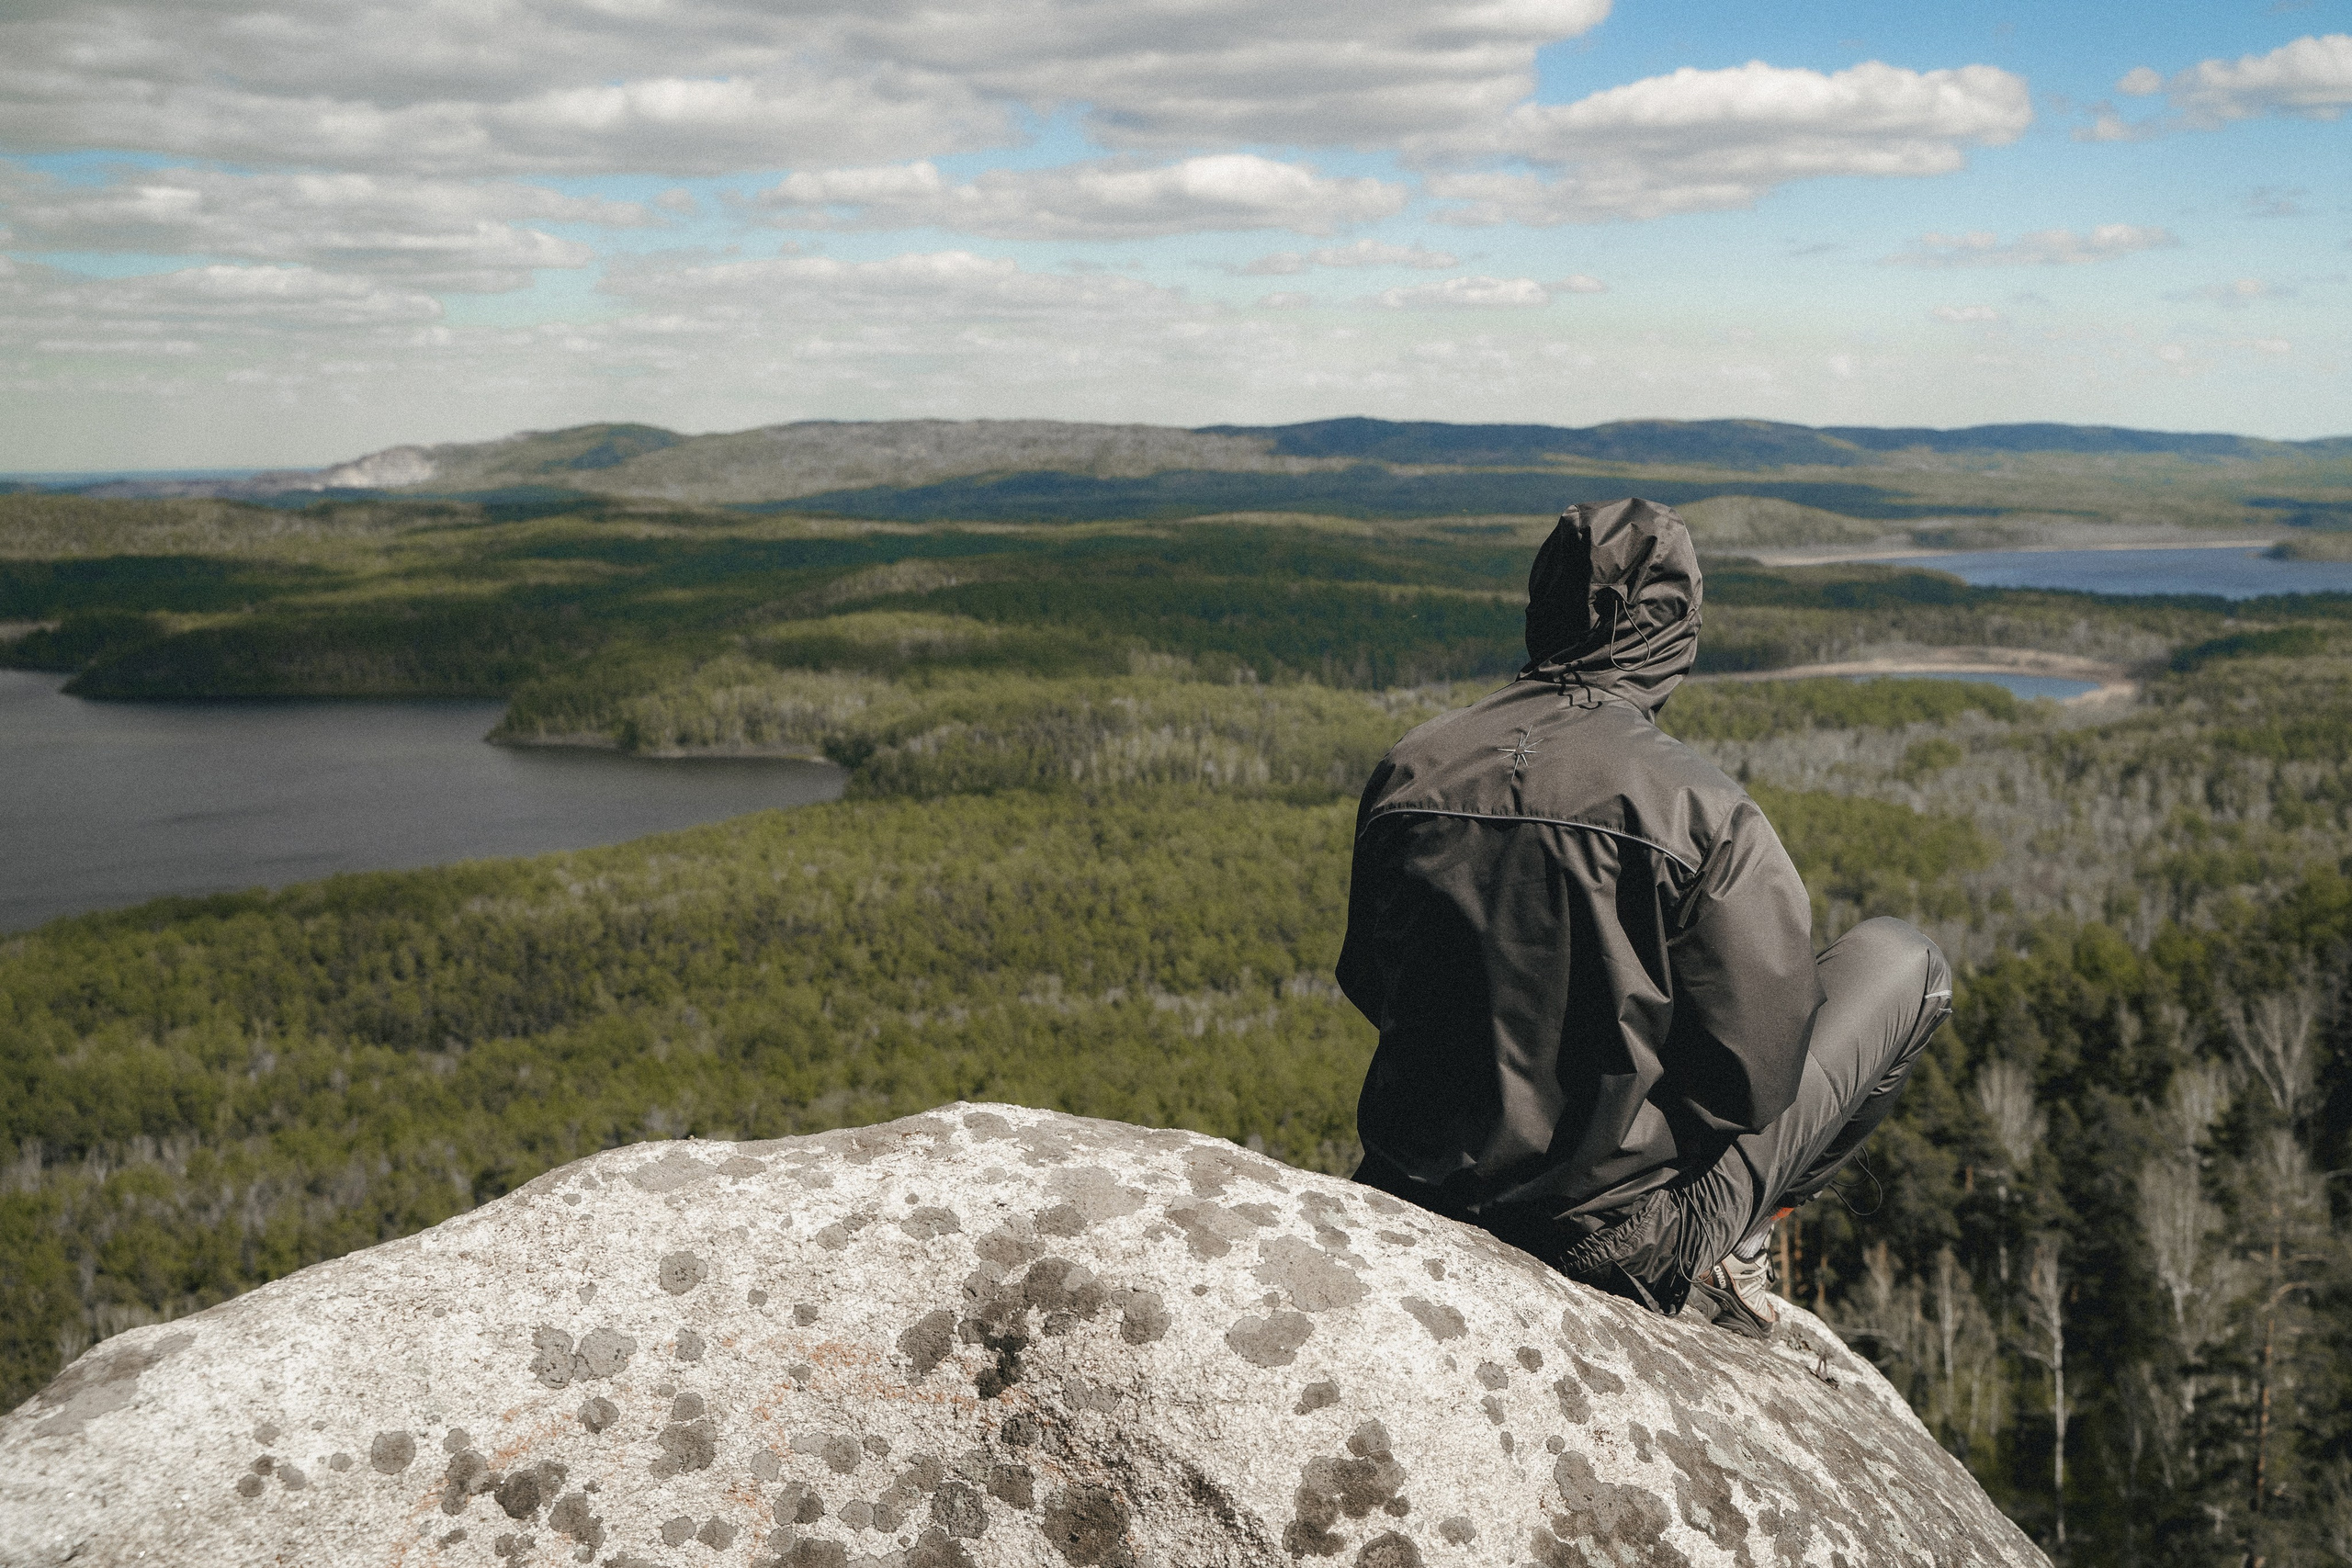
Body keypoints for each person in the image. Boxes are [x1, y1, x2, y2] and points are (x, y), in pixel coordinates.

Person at [1336, 497, 1951, 1337]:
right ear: (1677, 632)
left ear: (1543, 607)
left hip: (1413, 1185)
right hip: (1618, 1239)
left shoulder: (1409, 771)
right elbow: (1758, 1078)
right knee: (1904, 961)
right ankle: (1731, 1251)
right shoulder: (1705, 813)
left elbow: (1373, 983)